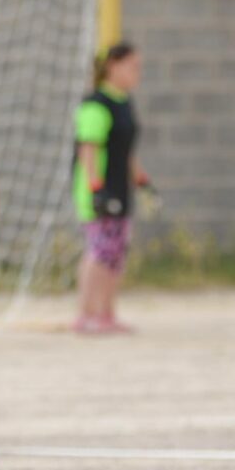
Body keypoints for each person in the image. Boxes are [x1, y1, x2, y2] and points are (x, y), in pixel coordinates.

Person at [73, 42, 148, 335]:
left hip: (120, 187)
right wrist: (95, 188)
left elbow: (125, 149)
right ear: (112, 66)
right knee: (99, 249)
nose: (137, 73)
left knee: (116, 251)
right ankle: (85, 313)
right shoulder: (96, 104)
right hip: (99, 189)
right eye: (132, 67)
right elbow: (88, 148)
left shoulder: (124, 102)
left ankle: (106, 312)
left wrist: (141, 179)